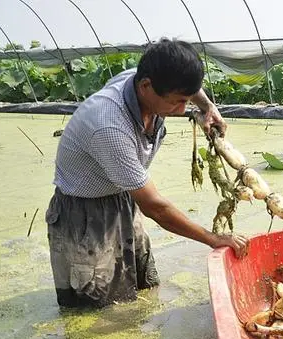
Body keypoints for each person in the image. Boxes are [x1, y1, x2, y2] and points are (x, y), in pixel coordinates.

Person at [45, 38, 249, 309]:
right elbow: (156, 207)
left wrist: (207, 106)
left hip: (122, 198)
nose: (181, 110)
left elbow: (188, 85)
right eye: (177, 102)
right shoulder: (110, 125)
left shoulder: (148, 81)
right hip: (84, 215)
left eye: (186, 100)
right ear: (146, 87)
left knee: (141, 287)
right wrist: (212, 238)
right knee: (95, 310)